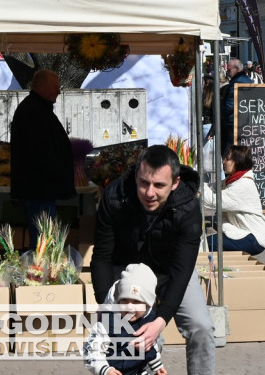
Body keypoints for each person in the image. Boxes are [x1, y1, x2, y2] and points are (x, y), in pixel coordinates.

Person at [92, 146, 214, 375]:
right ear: (137, 174)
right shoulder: (114, 197)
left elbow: (183, 268)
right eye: (144, 183)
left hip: (170, 272)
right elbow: (101, 257)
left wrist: (161, 321)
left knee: (201, 327)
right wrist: (108, 308)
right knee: (139, 339)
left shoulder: (187, 208)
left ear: (175, 183)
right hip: (126, 272)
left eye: (159, 185)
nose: (149, 192)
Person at [10, 69, 76, 249]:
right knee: (43, 241)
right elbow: (42, 153)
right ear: (43, 87)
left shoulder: (36, 109)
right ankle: (39, 274)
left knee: (43, 239)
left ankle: (40, 272)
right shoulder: (34, 111)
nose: (59, 91)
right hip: (38, 189)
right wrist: (59, 175)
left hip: (40, 189)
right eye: (56, 87)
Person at [84, 262, 167, 375]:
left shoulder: (148, 320)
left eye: (136, 302)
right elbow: (91, 351)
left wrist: (156, 365)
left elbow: (150, 345)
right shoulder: (107, 322)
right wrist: (104, 369)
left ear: (148, 304)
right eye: (124, 300)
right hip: (112, 370)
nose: (129, 307)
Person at [201, 145, 265, 255]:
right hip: (242, 231)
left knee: (210, 243)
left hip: (253, 237)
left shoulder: (243, 185)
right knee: (210, 242)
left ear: (237, 162)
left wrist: (195, 188)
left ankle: (218, 270)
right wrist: (195, 182)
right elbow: (211, 187)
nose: (223, 161)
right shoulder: (233, 179)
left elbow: (214, 201)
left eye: (227, 159)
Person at [219, 59, 253, 150]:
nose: (227, 72)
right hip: (243, 120)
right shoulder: (245, 80)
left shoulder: (238, 82)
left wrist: (222, 113)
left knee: (233, 150)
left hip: (234, 121)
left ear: (237, 69)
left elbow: (230, 105)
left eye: (229, 70)